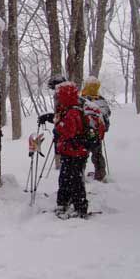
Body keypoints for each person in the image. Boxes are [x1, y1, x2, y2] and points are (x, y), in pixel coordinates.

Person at [52, 81, 89, 218]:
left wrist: (58, 126)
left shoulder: (72, 112)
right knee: (66, 178)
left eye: (60, 96)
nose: (58, 99)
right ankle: (64, 201)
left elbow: (69, 131)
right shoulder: (70, 109)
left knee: (74, 180)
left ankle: (80, 207)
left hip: (75, 152)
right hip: (71, 152)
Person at [81, 76, 111, 182]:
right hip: (97, 134)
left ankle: (80, 174)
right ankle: (100, 174)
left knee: (82, 155)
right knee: (97, 154)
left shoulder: (82, 100)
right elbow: (107, 115)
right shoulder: (101, 101)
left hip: (83, 133)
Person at [38, 74, 68, 170]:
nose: (54, 91)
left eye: (54, 88)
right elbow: (59, 116)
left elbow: (61, 117)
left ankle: (60, 166)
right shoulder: (67, 95)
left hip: (64, 132)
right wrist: (48, 117)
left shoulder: (63, 97)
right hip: (63, 130)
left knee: (61, 147)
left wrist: (48, 117)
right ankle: (60, 165)